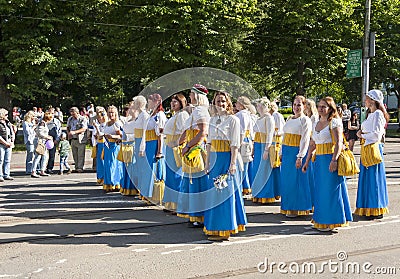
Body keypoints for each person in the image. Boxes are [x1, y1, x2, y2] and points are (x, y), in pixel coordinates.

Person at [302, 97, 352, 231]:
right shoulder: (316, 122)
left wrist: (334, 160)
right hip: (319, 161)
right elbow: (313, 144)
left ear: (330, 109)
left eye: (324, 106)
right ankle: (320, 220)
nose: (321, 109)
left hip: (330, 159)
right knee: (320, 191)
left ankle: (331, 221)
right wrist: (306, 161)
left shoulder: (334, 122)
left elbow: (339, 143)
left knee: (330, 190)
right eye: (319, 106)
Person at [203, 91, 247, 241]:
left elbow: (235, 144)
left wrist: (233, 163)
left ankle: (226, 227)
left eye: (223, 101)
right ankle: (213, 226)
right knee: (213, 193)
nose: (220, 104)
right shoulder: (212, 120)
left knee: (224, 192)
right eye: (218, 101)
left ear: (228, 103)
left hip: (226, 158)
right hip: (215, 159)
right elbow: (208, 143)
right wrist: (207, 162)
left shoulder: (233, 120)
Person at [177, 84, 210, 228]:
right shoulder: (197, 111)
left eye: (191, 93)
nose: (189, 96)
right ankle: (195, 214)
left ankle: (199, 215)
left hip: (196, 149)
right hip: (193, 146)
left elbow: (203, 133)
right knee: (192, 180)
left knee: (196, 181)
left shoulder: (200, 111)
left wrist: (188, 146)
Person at [355, 89, 390, 219]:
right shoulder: (371, 114)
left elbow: (377, 135)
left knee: (373, 179)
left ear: (372, 100)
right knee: (368, 178)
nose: (365, 100)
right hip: (367, 147)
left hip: (372, 148)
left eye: (367, 98)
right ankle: (367, 207)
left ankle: (375, 208)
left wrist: (361, 134)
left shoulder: (378, 114)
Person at [280, 95, 312, 217]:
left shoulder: (305, 120)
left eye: (299, 105)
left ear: (304, 106)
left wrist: (300, 156)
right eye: (294, 104)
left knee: (296, 180)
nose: (296, 107)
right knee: (287, 181)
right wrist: (281, 152)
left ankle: (298, 207)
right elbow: (284, 137)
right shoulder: (289, 119)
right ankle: (288, 206)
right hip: (287, 152)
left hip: (296, 152)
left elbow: (305, 139)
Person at [163, 94, 190, 213]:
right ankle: (171, 203)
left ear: (181, 103)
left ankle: (179, 204)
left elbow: (186, 131)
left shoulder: (183, 115)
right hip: (169, 146)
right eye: (172, 101)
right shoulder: (175, 115)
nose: (173, 104)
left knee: (176, 175)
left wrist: (177, 143)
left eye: (176, 102)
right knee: (170, 176)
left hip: (175, 148)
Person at [251, 97, 279, 204]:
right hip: (258, 144)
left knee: (264, 170)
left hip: (264, 145)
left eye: (259, 105)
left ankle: (266, 195)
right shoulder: (260, 118)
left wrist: (266, 149)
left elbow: (270, 134)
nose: (258, 108)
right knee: (257, 170)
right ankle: (258, 193)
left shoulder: (269, 118)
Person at [119, 101, 140, 196]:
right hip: (125, 145)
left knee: (133, 168)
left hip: (133, 145)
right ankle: (126, 187)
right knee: (126, 168)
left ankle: (134, 188)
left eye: (131, 107)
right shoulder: (127, 120)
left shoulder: (138, 120)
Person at [235, 96, 254, 195]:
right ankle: (246, 185)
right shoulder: (248, 114)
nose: (236, 104)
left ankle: (243, 186)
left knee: (241, 164)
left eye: (237, 103)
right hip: (248, 139)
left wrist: (238, 143)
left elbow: (241, 130)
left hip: (242, 140)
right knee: (245, 164)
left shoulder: (241, 115)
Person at [102, 105, 124, 192]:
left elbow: (122, 135)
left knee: (114, 165)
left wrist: (112, 136)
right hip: (107, 145)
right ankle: (108, 183)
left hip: (115, 145)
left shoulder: (118, 123)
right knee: (107, 165)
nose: (111, 114)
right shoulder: (107, 123)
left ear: (116, 113)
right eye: (109, 113)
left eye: (112, 113)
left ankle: (115, 183)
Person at [31, 112, 53, 178]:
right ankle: (33, 171)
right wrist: (47, 137)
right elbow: (40, 133)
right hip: (40, 141)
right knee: (38, 156)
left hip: (44, 141)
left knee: (45, 156)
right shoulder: (42, 123)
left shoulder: (44, 123)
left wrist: (48, 136)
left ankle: (42, 170)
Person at [67, 107, 88, 173]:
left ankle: (80, 167)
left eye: (74, 114)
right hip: (73, 139)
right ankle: (76, 167)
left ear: (77, 112)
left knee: (81, 154)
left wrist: (75, 132)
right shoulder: (70, 119)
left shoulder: (82, 119)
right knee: (74, 154)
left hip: (80, 139)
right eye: (71, 114)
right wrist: (68, 133)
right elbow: (68, 127)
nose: (73, 115)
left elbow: (84, 128)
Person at [92, 106, 108, 185]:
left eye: (101, 113)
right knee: (99, 162)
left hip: (105, 143)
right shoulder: (97, 122)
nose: (100, 115)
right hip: (99, 143)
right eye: (98, 113)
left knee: (104, 161)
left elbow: (102, 134)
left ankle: (105, 178)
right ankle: (100, 178)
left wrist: (97, 128)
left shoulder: (106, 123)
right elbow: (95, 135)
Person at [0, 108, 15, 181]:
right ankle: (0, 175)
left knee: (7, 160)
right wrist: (5, 143)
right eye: (6, 114)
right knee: (1, 160)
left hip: (9, 142)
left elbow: (11, 132)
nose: (7, 116)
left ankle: (6, 174)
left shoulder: (7, 122)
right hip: (1, 144)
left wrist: (12, 141)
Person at [45, 107, 62, 174]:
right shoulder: (44, 121)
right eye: (49, 113)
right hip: (45, 139)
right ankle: (41, 168)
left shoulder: (56, 121)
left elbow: (59, 131)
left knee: (52, 155)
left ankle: (49, 168)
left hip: (53, 140)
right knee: (43, 155)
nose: (51, 114)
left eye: (52, 113)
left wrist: (57, 140)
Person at [22, 111, 37, 175]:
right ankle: (28, 170)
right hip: (29, 141)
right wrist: (33, 127)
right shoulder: (25, 123)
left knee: (35, 155)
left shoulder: (32, 122)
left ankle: (35, 169)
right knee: (30, 155)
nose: (34, 118)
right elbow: (28, 132)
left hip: (34, 140)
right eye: (33, 116)